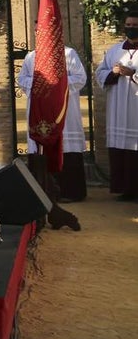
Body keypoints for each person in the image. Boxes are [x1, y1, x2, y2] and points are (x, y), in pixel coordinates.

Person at [17, 46, 88, 202]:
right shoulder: (31, 56)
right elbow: (21, 79)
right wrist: (39, 82)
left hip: (64, 111)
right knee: (41, 148)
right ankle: (42, 193)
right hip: (40, 110)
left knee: (66, 146)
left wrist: (57, 82)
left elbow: (80, 78)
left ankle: (70, 192)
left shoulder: (68, 53)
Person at [95, 11, 138, 200]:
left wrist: (133, 74)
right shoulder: (114, 50)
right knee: (121, 147)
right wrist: (112, 72)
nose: (131, 28)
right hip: (118, 107)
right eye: (128, 25)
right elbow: (99, 73)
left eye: (135, 25)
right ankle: (125, 190)